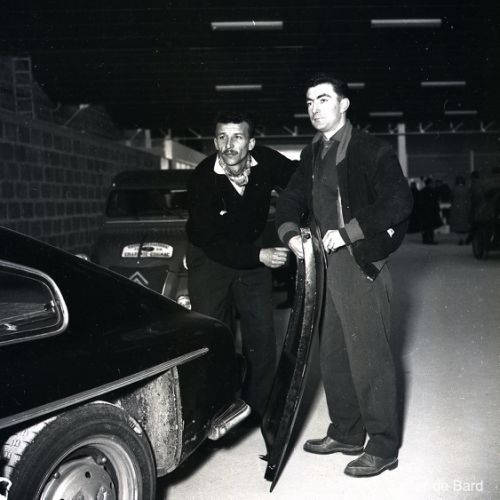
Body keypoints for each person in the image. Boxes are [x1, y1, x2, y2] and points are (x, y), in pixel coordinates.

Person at [275, 73, 413, 477]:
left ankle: (383, 446)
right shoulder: (312, 153)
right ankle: (347, 432)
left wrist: (349, 231)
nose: (314, 108)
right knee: (333, 355)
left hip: (360, 261)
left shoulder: (371, 149)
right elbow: (291, 198)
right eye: (309, 101)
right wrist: (290, 234)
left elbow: (399, 200)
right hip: (325, 265)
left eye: (323, 99)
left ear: (344, 104)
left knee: (369, 357)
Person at [186, 111, 296, 423]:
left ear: (251, 142)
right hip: (210, 256)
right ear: (214, 142)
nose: (229, 145)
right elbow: (212, 241)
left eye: (237, 137)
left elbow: (301, 182)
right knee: (213, 334)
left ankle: (258, 409)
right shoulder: (202, 178)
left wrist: (295, 220)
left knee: (261, 334)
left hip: (251, 249)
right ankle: (216, 409)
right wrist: (259, 256)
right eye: (222, 137)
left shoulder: (267, 161)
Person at [417, 177, 442, 244]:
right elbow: (435, 202)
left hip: (425, 212)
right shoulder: (432, 191)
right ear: (429, 183)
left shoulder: (422, 191)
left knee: (426, 227)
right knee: (430, 227)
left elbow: (420, 202)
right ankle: (430, 239)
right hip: (431, 212)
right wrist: (437, 209)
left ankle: (426, 239)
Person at [449, 175, 471, 244]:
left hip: (456, 208)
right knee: (465, 223)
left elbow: (451, 198)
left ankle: (460, 239)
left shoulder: (454, 189)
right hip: (465, 207)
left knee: (457, 225)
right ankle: (465, 238)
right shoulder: (467, 189)